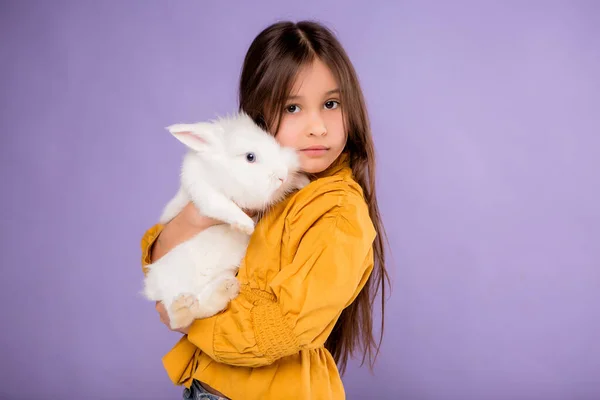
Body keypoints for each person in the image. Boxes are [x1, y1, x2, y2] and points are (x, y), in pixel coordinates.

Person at [140, 20, 390, 400]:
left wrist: (193, 322)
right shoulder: (262, 186)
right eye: (293, 107)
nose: (317, 127)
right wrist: (199, 214)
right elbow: (161, 266)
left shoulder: (338, 214)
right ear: (259, 116)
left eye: (331, 104)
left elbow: (278, 330)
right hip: (210, 386)